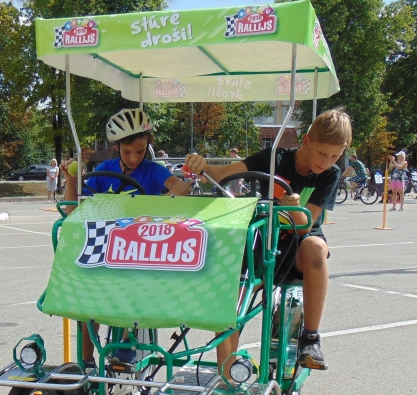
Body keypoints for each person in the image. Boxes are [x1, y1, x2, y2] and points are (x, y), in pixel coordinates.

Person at [185, 108, 351, 372]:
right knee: (232, 280)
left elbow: (306, 224)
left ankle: (310, 337)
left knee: (317, 247)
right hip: (264, 237)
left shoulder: (329, 175)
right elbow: (224, 174)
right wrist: (202, 166)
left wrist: (295, 209)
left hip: (298, 242)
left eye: (335, 155)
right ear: (306, 141)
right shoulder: (274, 158)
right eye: (322, 153)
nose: (327, 161)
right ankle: (228, 377)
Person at [63, 108, 193, 367]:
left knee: (135, 278)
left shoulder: (154, 171)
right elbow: (72, 211)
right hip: (108, 246)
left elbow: (180, 187)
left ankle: (126, 341)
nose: (134, 158)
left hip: (140, 249)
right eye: (127, 152)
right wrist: (70, 180)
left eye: (140, 151)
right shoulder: (105, 169)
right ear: (116, 148)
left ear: (148, 147)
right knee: (87, 288)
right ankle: (86, 359)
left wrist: (156, 205)